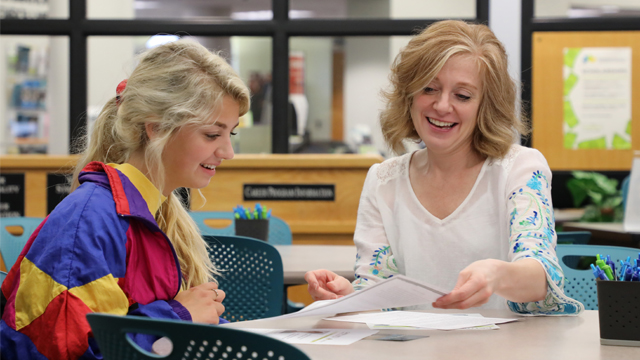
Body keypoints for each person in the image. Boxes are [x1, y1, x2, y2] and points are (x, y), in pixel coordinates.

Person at [305, 20, 583, 315]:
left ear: (485, 106)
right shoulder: (382, 181)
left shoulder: (520, 169)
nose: (441, 105)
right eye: (429, 88)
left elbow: (543, 277)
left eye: (462, 95)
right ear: (409, 95)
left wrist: (496, 275)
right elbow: (379, 290)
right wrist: (347, 297)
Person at [0, 39, 250, 359]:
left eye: (232, 134)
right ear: (156, 129)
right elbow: (70, 352)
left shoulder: (155, 212)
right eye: (212, 135)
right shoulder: (89, 222)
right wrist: (178, 316)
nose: (227, 152)